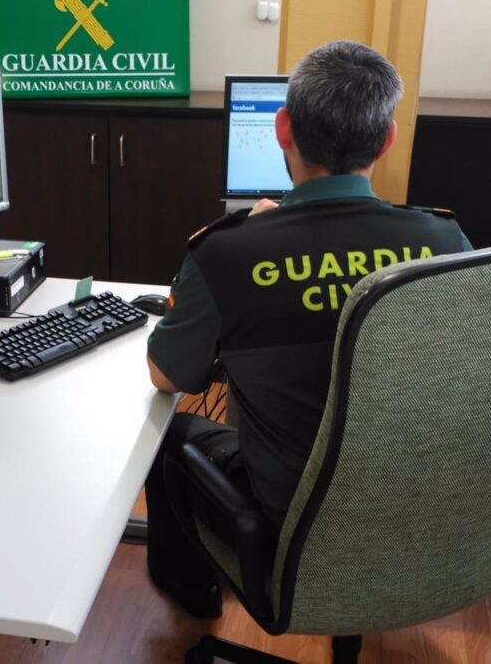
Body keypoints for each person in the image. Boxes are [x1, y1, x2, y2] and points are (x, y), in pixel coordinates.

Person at [144, 40, 472, 619]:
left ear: (282, 128)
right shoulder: (444, 241)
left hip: (296, 523)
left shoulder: (228, 252)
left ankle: (193, 591)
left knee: (169, 433)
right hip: (422, 506)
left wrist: (253, 240)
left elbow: (168, 376)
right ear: (388, 138)